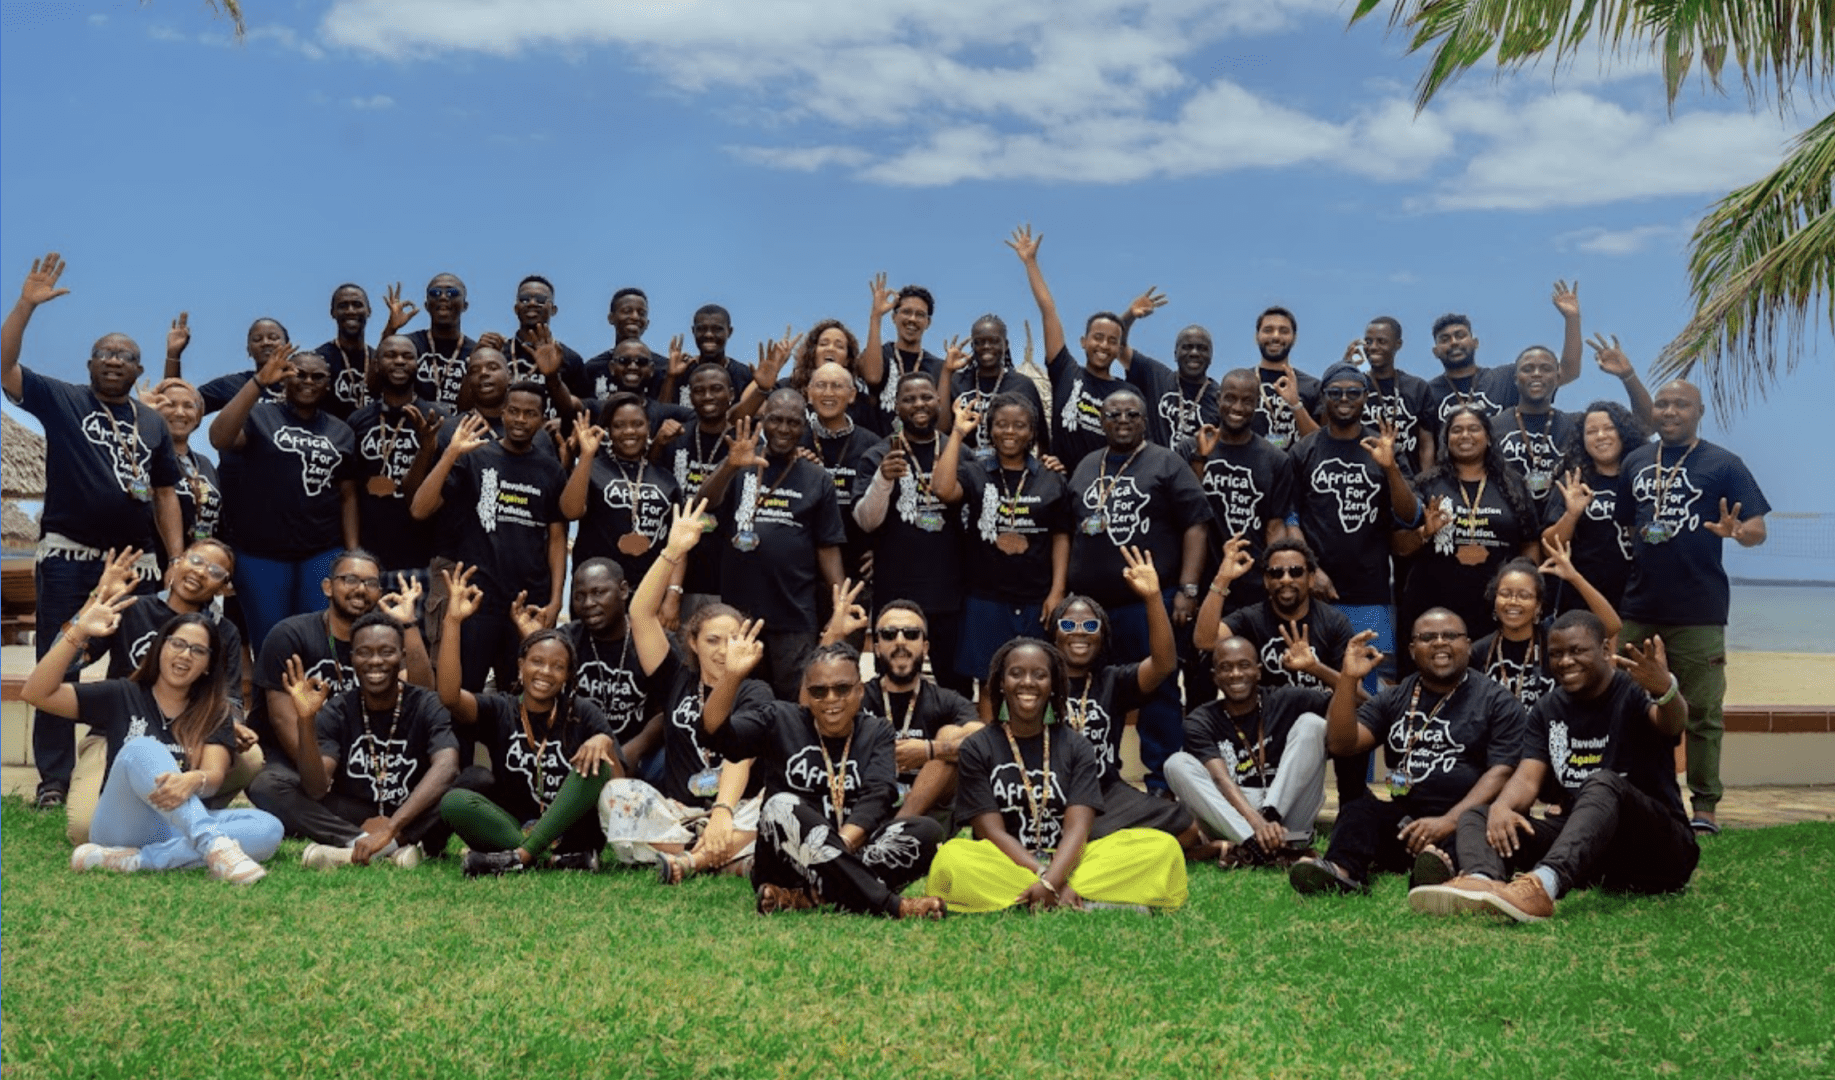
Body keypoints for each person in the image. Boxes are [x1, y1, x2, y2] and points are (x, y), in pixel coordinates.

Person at [4, 253, 184, 809]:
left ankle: (132, 766)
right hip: (70, 558)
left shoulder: (151, 421)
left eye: (126, 356)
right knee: (62, 662)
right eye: (105, 353)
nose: (114, 360)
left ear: (137, 370)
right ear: (89, 364)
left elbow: (163, 495)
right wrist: (26, 307)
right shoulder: (61, 399)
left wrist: (175, 557)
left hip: (139, 566)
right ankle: (55, 780)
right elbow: (4, 366)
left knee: (140, 665)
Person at [1409, 613, 1698, 922]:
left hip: (1657, 853)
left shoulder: (1631, 690)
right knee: (1478, 815)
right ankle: (1481, 883)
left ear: (1603, 650)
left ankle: (1542, 886)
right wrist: (1503, 806)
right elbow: (1527, 778)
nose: (1565, 661)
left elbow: (1672, 723)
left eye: (1577, 651)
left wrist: (1666, 690)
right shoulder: (1548, 708)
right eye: (1556, 654)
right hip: (1590, 854)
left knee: (1602, 782)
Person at [21, 591, 280, 883]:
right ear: (159, 648)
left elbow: (214, 775)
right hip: (121, 824)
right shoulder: (121, 693)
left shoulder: (213, 710)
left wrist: (196, 779)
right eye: (178, 644)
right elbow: (36, 693)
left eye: (198, 650)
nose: (185, 655)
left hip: (174, 825)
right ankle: (213, 844)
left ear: (208, 664)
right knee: (142, 748)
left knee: (268, 828)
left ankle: (137, 861)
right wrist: (79, 629)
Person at [924, 638, 1188, 913]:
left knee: (1162, 847)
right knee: (952, 859)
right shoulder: (977, 747)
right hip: (1006, 862)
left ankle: (1033, 900)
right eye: (1016, 673)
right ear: (1001, 683)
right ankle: (1080, 900)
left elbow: (1078, 828)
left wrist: (1054, 877)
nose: (1028, 682)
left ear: (1053, 686)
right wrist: (1044, 876)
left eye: (1040, 675)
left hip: (1072, 860)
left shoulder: (1077, 746)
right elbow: (989, 831)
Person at [1614, 378, 1769, 834]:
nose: (1669, 411)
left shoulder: (1724, 464)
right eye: (1662, 404)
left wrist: (1740, 532)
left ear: (1699, 411)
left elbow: (1758, 527)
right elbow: (1628, 525)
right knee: (1626, 707)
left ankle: (1704, 807)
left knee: (1701, 712)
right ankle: (1634, 792)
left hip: (1699, 612)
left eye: (1681, 404)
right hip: (1638, 608)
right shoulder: (1637, 461)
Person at [702, 632, 948, 918]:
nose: (831, 699)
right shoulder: (779, 719)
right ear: (807, 693)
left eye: (842, 689)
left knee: (927, 831)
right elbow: (714, 735)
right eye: (819, 691)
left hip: (852, 850)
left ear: (859, 690)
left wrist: (835, 851)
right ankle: (892, 905)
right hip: (786, 866)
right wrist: (731, 677)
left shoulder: (876, 730)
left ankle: (807, 899)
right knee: (780, 806)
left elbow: (879, 794)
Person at [1289, 611, 1525, 896]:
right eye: (1427, 637)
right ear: (1413, 650)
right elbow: (1342, 744)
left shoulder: (1496, 700)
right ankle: (1341, 871)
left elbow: (1502, 771)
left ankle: (1441, 870)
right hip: (1409, 821)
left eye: (1450, 636)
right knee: (1359, 809)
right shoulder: (1396, 696)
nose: (1439, 643)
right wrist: (1348, 679)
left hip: (1467, 818)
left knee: (1472, 828)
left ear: (1468, 645)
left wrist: (1447, 821)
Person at [598, 501, 769, 882]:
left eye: (732, 640)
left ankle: (691, 861)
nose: (723, 651)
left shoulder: (757, 692)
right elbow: (640, 614)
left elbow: (741, 757)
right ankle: (719, 858)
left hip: (736, 810)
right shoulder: (675, 677)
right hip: (680, 814)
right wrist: (672, 551)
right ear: (692, 642)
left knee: (775, 811)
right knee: (618, 797)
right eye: (712, 640)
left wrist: (723, 812)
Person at [1064, 387, 1210, 791]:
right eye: (1113, 415)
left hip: (1148, 603)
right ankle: (1091, 776)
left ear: (1145, 420)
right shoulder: (1086, 465)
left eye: (1131, 414)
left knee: (1158, 689)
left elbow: (1196, 523)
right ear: (1102, 421)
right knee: (1091, 693)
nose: (1122, 421)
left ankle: (1163, 784)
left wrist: (1189, 588)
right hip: (1092, 611)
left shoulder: (1166, 462)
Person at [437, 573, 623, 875]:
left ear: (568, 677)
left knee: (598, 764)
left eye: (557, 666)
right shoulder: (500, 708)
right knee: (455, 801)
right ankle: (546, 860)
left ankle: (517, 859)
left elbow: (618, 784)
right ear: (521, 665)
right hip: (513, 828)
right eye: (536, 662)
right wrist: (452, 622)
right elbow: (449, 696)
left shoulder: (584, 712)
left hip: (575, 831)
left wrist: (604, 742)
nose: (545, 672)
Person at [68, 542, 250, 845]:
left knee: (251, 758)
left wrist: (231, 722)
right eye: (195, 560)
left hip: (188, 737)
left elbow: (229, 696)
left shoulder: (225, 631)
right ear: (176, 563)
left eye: (215, 571)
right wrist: (99, 599)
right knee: (84, 830)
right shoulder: (132, 607)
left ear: (225, 587)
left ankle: (179, 814)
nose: (201, 572)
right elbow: (71, 662)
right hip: (118, 732)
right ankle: (174, 821)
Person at [245, 553, 430, 827]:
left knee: (433, 783)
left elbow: (422, 693)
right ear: (328, 587)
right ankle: (358, 835)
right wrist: (319, 776)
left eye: (370, 583)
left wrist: (408, 624)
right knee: (268, 787)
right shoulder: (290, 634)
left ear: (379, 592)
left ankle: (358, 818)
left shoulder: (383, 637)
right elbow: (282, 718)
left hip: (362, 760)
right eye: (350, 579)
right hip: (298, 759)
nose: (360, 589)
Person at [410, 382, 569, 699]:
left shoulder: (550, 470)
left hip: (528, 604)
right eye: (513, 411)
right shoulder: (476, 457)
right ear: (503, 412)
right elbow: (419, 508)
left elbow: (557, 539)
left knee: (521, 697)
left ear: (541, 419)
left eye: (530, 413)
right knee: (463, 695)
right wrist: (451, 452)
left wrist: (555, 599)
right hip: (476, 600)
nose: (520, 419)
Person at [1047, 551, 1211, 857]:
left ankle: (1094, 846)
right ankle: (1102, 848)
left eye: (1090, 626)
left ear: (1103, 636)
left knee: (1186, 828)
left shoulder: (1113, 680)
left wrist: (1152, 599)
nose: (1079, 632)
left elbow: (1163, 664)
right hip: (1052, 793)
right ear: (1055, 635)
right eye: (1068, 626)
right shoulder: (1039, 680)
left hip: (1105, 793)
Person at [276, 611, 461, 868]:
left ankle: (383, 845)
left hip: (414, 810)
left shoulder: (426, 704)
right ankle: (366, 844)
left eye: (386, 652)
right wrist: (306, 720)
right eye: (364, 652)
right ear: (352, 659)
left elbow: (447, 766)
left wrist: (392, 826)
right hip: (356, 812)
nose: (375, 661)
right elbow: (317, 787)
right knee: (269, 786)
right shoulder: (338, 710)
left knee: (474, 781)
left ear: (402, 657)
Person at [208, 342, 360, 648]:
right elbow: (219, 438)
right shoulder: (259, 416)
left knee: (318, 640)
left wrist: (353, 552)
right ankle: (272, 697)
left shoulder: (342, 431)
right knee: (271, 641)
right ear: (284, 378)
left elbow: (347, 496)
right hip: (260, 553)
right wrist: (257, 382)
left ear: (327, 385)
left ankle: (313, 698)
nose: (307, 381)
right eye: (298, 373)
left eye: (317, 377)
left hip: (321, 551)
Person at [697, 396, 846, 700]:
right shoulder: (740, 465)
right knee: (740, 700)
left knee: (795, 703)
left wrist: (839, 604)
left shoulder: (818, 478)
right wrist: (730, 465)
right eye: (776, 419)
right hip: (739, 618)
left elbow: (827, 548)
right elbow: (705, 504)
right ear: (762, 422)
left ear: (804, 427)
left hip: (794, 616)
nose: (783, 428)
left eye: (793, 422)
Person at [1287, 363, 1419, 692]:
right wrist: (1310, 569)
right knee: (1311, 683)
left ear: (1365, 399)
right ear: (1324, 399)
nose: (1344, 399)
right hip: (1314, 593)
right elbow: (1288, 517)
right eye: (1335, 393)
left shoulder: (1382, 448)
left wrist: (1390, 470)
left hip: (1369, 593)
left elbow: (1410, 516)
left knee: (1367, 687)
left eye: (1353, 393)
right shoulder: (1305, 450)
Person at [931, 392, 1070, 685]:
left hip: (1036, 600)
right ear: (990, 429)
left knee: (1037, 681)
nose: (1010, 432)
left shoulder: (1051, 477)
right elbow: (942, 489)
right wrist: (957, 433)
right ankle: (991, 733)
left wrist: (1057, 591)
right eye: (1001, 424)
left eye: (1019, 425)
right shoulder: (975, 472)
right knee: (990, 683)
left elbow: (1060, 536)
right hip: (985, 599)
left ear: (1032, 432)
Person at [1165, 637, 1331, 866]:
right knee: (1175, 763)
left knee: (1313, 724)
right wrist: (1257, 824)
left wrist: (1316, 669)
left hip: (1288, 811)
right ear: (1215, 677)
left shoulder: (1286, 698)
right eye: (1225, 668)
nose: (1235, 674)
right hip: (1236, 814)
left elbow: (1363, 704)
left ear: (1258, 671)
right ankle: (1257, 844)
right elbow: (1220, 779)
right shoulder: (1200, 720)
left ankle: (1250, 847)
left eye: (1244, 665)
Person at [1009, 225, 1167, 466]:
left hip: (1105, 490)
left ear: (1118, 348)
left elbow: (1140, 449)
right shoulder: (1066, 372)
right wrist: (1030, 262)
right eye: (1098, 337)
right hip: (1061, 485)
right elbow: (1048, 310)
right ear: (1083, 342)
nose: (1104, 345)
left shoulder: (1128, 394)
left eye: (1112, 341)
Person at [853, 372, 971, 695]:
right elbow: (865, 521)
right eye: (909, 399)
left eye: (925, 397)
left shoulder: (959, 450)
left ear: (937, 401)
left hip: (951, 596)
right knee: (893, 686)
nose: (919, 404)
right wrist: (883, 481)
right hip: (896, 594)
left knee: (954, 689)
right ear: (896, 406)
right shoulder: (878, 455)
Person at [823, 593, 981, 823]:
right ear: (877, 647)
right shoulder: (859, 695)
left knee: (951, 736)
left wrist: (930, 750)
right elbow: (807, 713)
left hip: (926, 816)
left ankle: (895, 830)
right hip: (865, 805)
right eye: (889, 634)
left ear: (925, 647)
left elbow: (983, 741)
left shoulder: (946, 700)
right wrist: (833, 636)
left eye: (911, 634)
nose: (900, 641)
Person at [1396, 404, 1540, 646]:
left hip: (1498, 607)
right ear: (1446, 439)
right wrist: (1424, 532)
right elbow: (1399, 545)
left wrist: (1526, 585)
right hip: (1434, 605)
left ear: (1488, 438)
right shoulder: (1426, 484)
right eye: (1457, 430)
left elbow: (1530, 541)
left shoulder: (1512, 485)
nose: (1465, 435)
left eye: (1473, 429)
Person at [513, 558, 662, 778]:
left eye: (598, 592)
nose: (588, 603)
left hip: (639, 753)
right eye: (579, 596)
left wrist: (633, 750)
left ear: (623, 591)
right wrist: (534, 641)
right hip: (578, 754)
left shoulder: (652, 641)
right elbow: (536, 695)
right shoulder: (565, 640)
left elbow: (668, 710)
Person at [1489, 334, 1652, 507]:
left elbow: (1646, 427)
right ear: (1515, 379)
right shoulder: (1492, 426)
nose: (1536, 374)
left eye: (1546, 368)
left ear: (1558, 377)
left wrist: (1628, 375)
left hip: (1564, 524)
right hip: (1505, 526)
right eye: (1527, 369)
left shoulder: (1578, 426)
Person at [1183, 367, 1294, 616]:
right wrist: (1200, 458)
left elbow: (1275, 527)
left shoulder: (1276, 460)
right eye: (1230, 398)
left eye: (1247, 401)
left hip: (1253, 584)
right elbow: (1188, 512)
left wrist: (1275, 577)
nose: (1238, 407)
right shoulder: (1190, 449)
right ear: (1218, 398)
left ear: (1257, 405)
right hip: (1203, 583)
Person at [1469, 542, 1622, 714]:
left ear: (1538, 606)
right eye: (1505, 594)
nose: (1513, 601)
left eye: (1524, 595)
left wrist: (1574, 577)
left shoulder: (1556, 641)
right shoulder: (1479, 651)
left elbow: (1612, 626)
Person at [346, 333, 447, 576]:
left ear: (418, 365)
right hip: (371, 557)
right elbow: (348, 492)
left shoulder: (439, 418)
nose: (399, 361)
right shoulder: (357, 421)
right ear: (377, 365)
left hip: (425, 557)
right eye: (390, 355)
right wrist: (353, 552)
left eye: (407, 356)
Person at [562, 394, 682, 588]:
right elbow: (570, 512)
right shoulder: (592, 469)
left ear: (649, 428)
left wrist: (673, 591)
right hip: (596, 589)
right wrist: (585, 456)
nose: (629, 431)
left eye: (637, 424)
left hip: (649, 592)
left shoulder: (666, 479)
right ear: (608, 430)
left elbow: (677, 543)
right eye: (619, 426)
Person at [1425, 282, 1583, 428]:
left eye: (1460, 335)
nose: (1454, 342)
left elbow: (1569, 372)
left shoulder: (1505, 378)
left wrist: (1572, 318)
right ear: (1435, 351)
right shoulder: (1426, 393)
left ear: (1475, 343)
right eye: (1445, 339)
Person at [1541, 399, 1647, 614]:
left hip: (1638, 600)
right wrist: (1571, 515)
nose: (1600, 436)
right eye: (1591, 431)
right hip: (1581, 603)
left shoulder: (1645, 479)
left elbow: (1661, 538)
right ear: (1583, 440)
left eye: (1609, 428)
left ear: (1624, 434)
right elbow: (1548, 548)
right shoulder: (1573, 482)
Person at [798, 359, 882, 597]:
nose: (828, 393)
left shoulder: (873, 445)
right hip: (801, 572)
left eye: (836, 386)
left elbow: (890, 504)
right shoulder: (792, 441)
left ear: (852, 394)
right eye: (821, 385)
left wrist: (883, 550)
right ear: (809, 394)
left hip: (858, 573)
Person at [140, 377, 222, 560]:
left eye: (188, 406)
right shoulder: (144, 455)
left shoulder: (205, 464)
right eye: (170, 404)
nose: (179, 412)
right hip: (151, 565)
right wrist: (143, 415)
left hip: (197, 568)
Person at [945, 313, 1045, 456]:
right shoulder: (957, 382)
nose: (987, 346)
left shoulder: (1023, 385)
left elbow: (1042, 438)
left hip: (1012, 469)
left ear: (1006, 345)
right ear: (973, 346)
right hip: (965, 469)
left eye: (994, 341)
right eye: (980, 342)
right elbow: (941, 429)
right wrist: (947, 372)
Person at [1346, 316, 1435, 476]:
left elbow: (1426, 444)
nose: (1373, 347)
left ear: (1398, 344)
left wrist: (1426, 481)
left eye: (1381, 341)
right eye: (1368, 341)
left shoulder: (1417, 387)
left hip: (1408, 482)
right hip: (1362, 479)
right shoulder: (1354, 387)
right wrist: (1345, 371)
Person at [476, 275, 587, 395]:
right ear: (516, 308)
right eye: (524, 299)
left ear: (553, 310)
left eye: (540, 299)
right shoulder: (498, 352)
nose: (532, 303)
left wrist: (553, 377)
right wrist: (475, 357)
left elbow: (580, 409)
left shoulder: (570, 359)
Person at [861, 277, 945, 434]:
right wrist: (876, 316)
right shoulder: (879, 355)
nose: (912, 319)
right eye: (906, 312)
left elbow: (941, 423)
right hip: (880, 449)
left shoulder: (938, 367)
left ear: (928, 322)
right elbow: (872, 377)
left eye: (919, 314)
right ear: (894, 317)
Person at [1125, 324, 1218, 450]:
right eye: (1187, 347)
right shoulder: (1156, 376)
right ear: (1175, 354)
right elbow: (1117, 347)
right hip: (1153, 467)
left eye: (1202, 348)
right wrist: (1131, 315)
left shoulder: (1221, 397)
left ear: (1211, 357)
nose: (1194, 353)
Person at [1246, 306, 1319, 451]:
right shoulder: (1242, 383)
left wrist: (1295, 404)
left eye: (1284, 331)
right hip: (1248, 470)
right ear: (1256, 337)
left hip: (1297, 471)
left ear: (1294, 338)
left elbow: (1320, 443)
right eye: (1268, 330)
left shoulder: (1312, 386)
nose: (1275, 336)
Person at [655, 303, 753, 408]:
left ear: (729, 332)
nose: (709, 334)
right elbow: (661, 414)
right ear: (693, 331)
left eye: (717, 329)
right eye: (702, 329)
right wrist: (671, 377)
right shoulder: (680, 371)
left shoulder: (743, 374)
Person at [406, 273, 478, 410]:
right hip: (411, 425)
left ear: (465, 305)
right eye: (435, 293)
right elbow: (376, 387)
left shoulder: (476, 351)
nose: (443, 297)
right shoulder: (408, 345)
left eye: (452, 292)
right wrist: (390, 330)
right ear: (426, 305)